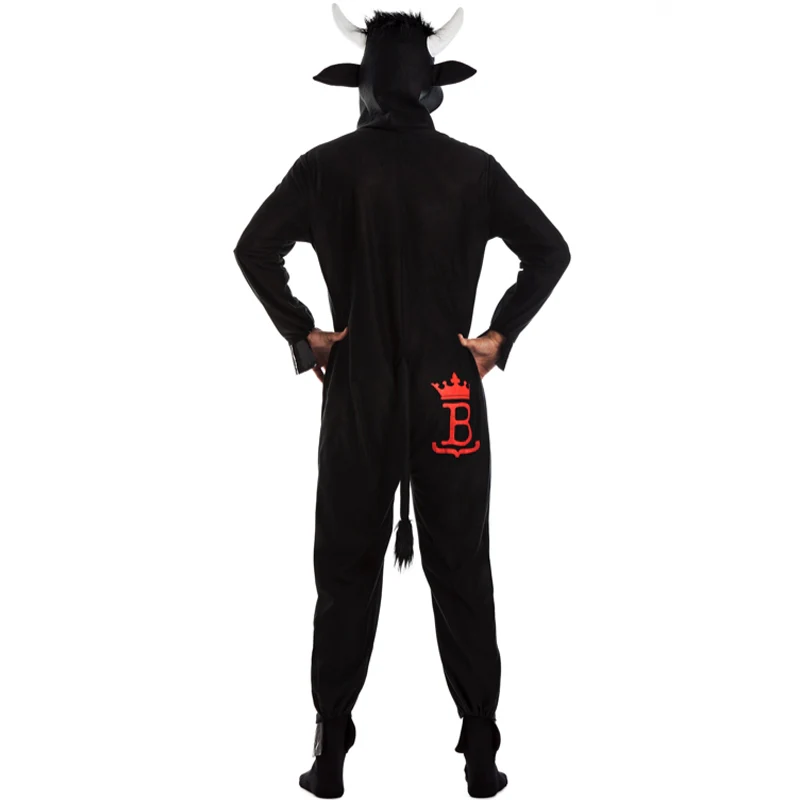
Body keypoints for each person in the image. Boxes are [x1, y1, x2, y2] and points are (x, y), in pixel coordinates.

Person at [232, 5, 571, 797]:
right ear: (433, 89)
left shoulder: (324, 167)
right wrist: (495, 339)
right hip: (451, 394)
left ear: (360, 88)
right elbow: (550, 251)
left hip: (359, 393)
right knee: (462, 568)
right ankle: (481, 751)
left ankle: (330, 751)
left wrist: (307, 336)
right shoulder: (473, 170)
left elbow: (253, 248)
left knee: (346, 569)